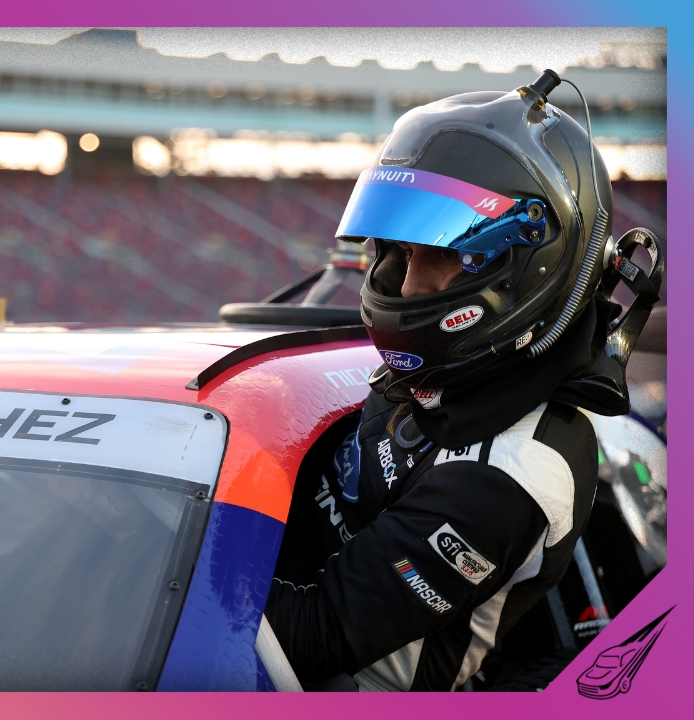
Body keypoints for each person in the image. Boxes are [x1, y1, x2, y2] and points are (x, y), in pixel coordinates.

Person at [264, 73, 651, 691]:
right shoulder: (456, 372)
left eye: (444, 253)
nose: (409, 284)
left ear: (527, 269)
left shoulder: (513, 471)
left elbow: (310, 640)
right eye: (400, 250)